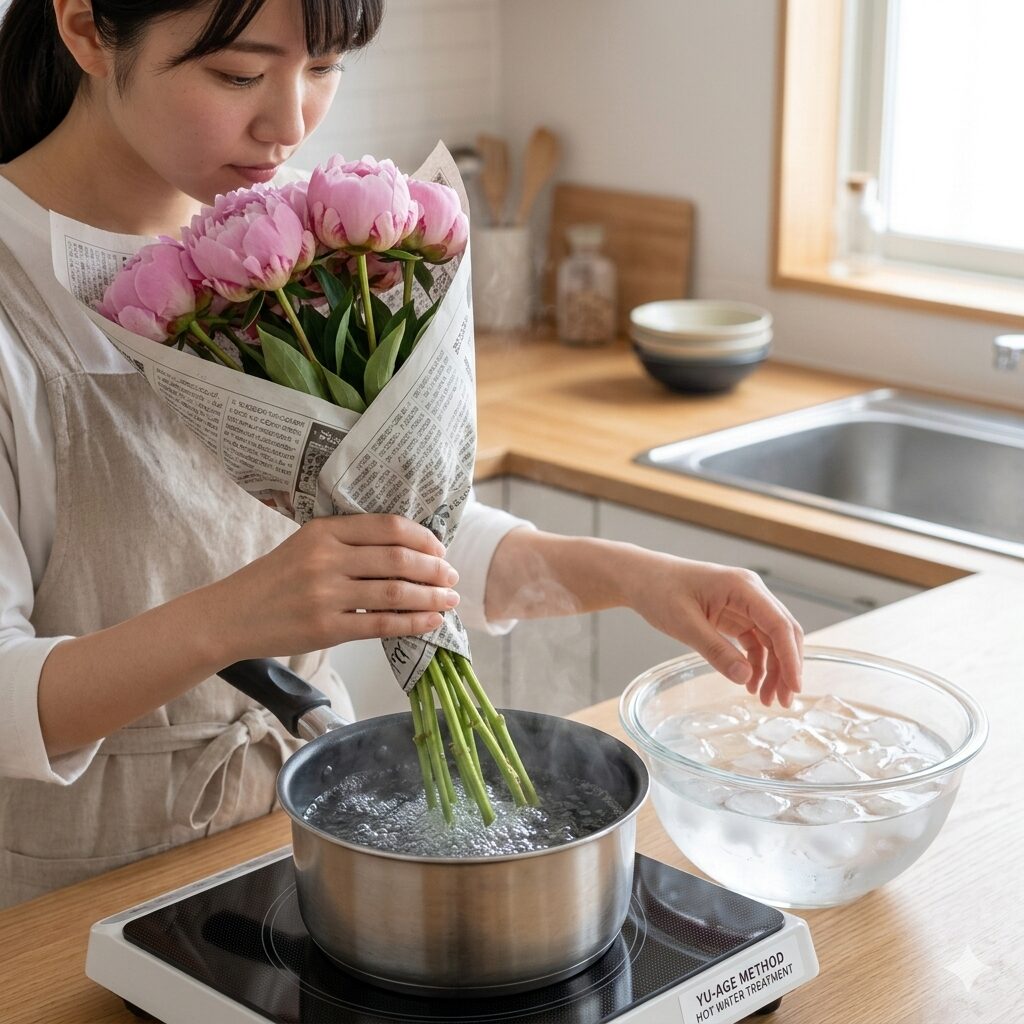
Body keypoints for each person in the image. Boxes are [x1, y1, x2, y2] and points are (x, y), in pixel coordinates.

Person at [0, 0, 803, 909]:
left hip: (295, 838)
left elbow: (390, 528)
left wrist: (637, 576)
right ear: (85, 28)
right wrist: (235, 618)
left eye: (325, 66)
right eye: (238, 74)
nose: (289, 124)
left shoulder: (282, 245)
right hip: (70, 903)